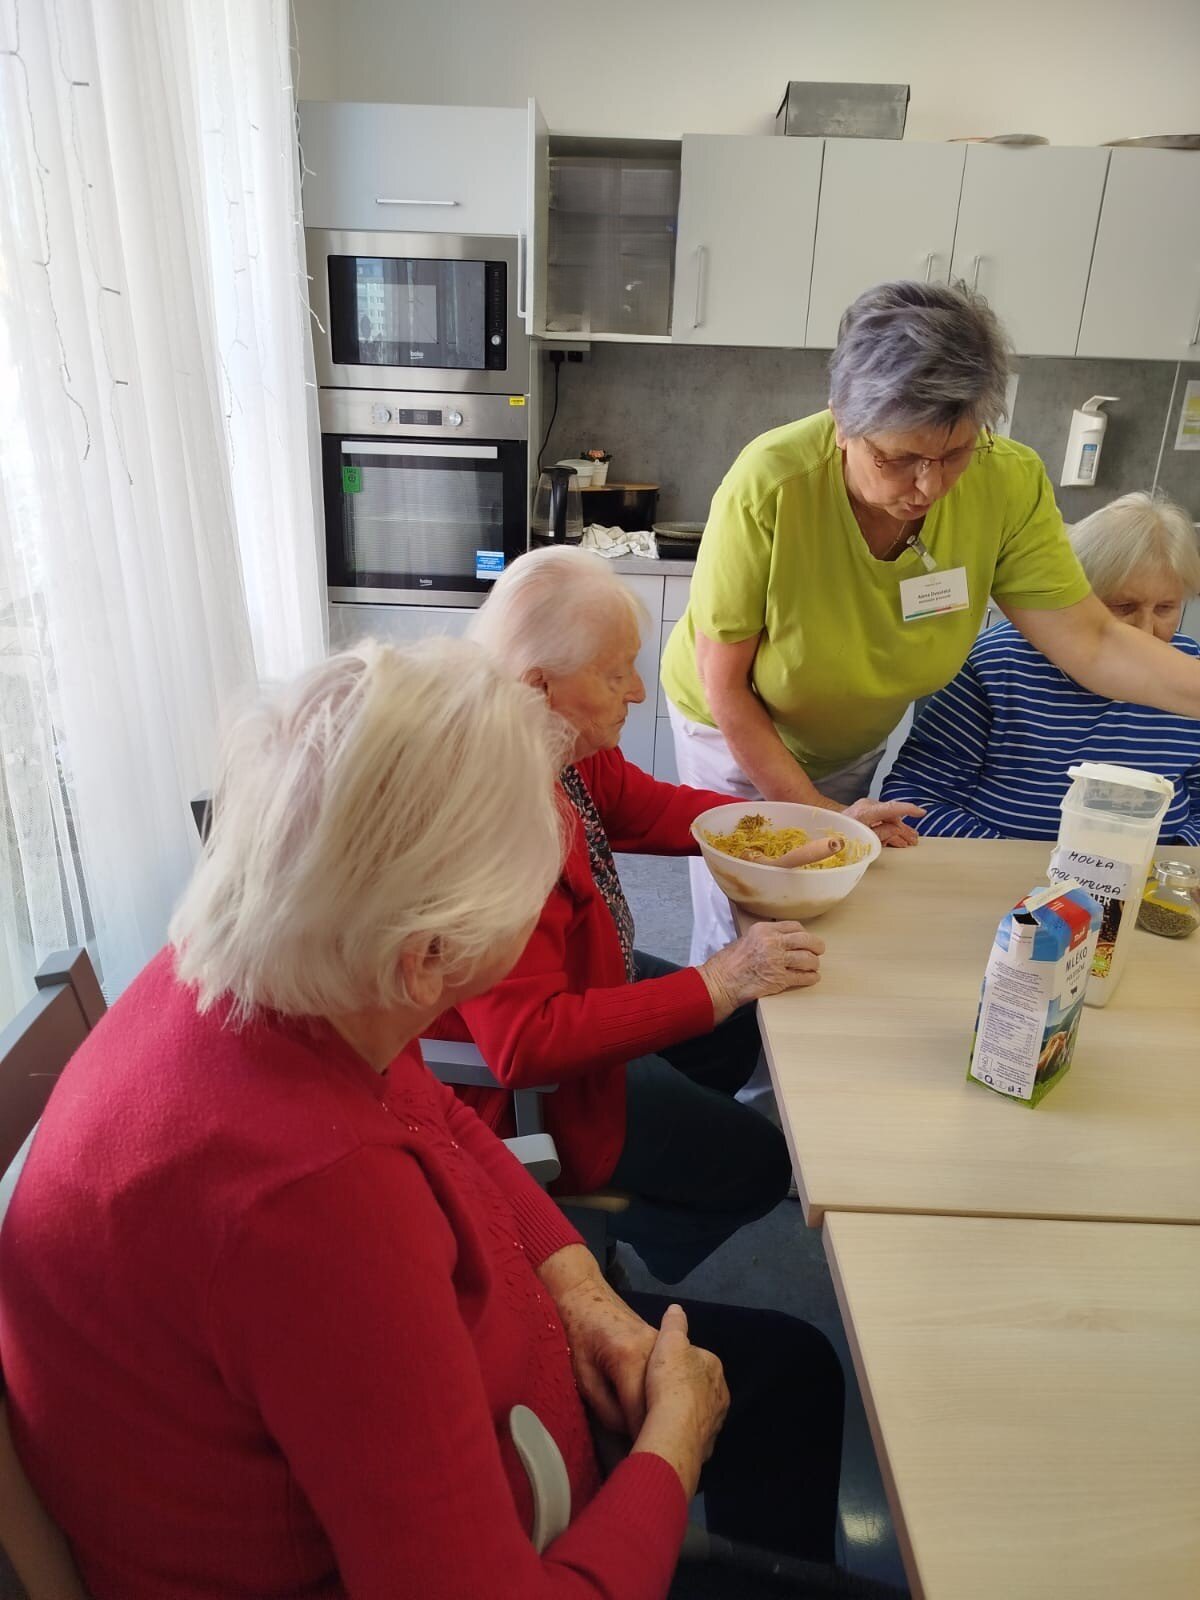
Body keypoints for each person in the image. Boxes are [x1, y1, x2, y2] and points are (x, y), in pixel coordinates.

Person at [0, 639, 859, 1600]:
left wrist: (576, 1286)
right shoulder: (311, 1208)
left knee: (793, 1374)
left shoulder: (280, 965)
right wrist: (673, 1446)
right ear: (427, 959)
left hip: (479, 1412)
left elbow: (430, 1105)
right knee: (789, 1395)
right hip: (462, 1538)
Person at [660, 280, 1200, 965]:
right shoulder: (771, 483)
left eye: (954, 454)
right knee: (750, 917)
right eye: (898, 459)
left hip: (850, 731)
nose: (929, 486)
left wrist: (837, 815)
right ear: (841, 421)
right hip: (734, 726)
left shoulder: (1008, 481)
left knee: (828, 912)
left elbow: (1091, 641)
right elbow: (725, 684)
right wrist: (818, 811)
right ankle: (727, 1028)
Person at [437, 546, 823, 1285]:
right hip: (517, 1090)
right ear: (539, 684)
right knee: (759, 1162)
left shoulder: (557, 741)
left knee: (738, 1032)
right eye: (615, 674)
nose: (639, 692)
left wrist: (800, 825)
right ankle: (583, 1226)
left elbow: (649, 808)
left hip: (588, 974)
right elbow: (524, 1042)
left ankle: (645, 1160)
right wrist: (716, 982)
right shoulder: (497, 820)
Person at [880, 491, 1200, 839]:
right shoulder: (996, 664)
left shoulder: (1189, 672)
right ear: (1076, 599)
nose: (1146, 631)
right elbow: (913, 798)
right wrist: (1022, 867)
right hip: (1003, 869)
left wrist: (1171, 862)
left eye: (1165, 608)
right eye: (1123, 607)